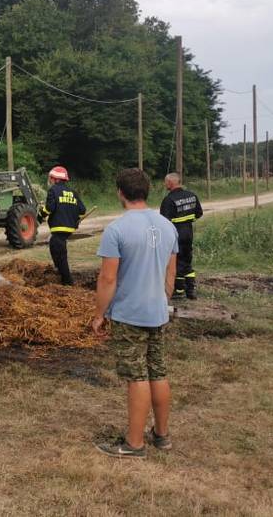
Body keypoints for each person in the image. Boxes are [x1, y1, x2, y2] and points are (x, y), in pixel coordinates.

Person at [92, 168, 178, 458]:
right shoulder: (168, 226)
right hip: (157, 312)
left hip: (130, 315)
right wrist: (162, 300)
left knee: (137, 377)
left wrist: (99, 314)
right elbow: (171, 272)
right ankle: (162, 436)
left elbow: (107, 279)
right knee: (158, 370)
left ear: (120, 192)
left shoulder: (116, 229)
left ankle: (134, 444)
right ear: (147, 192)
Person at [159, 172, 203, 299]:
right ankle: (191, 291)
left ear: (171, 183)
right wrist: (186, 221)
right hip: (188, 234)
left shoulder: (169, 200)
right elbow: (198, 213)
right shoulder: (192, 196)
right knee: (187, 261)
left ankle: (178, 290)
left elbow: (164, 221)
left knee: (176, 262)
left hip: (175, 235)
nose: (164, 184)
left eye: (166, 182)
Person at [40, 165, 86, 285]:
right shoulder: (73, 193)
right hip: (68, 229)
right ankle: (59, 272)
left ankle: (67, 281)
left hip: (58, 228)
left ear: (56, 179)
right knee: (55, 247)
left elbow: (49, 208)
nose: (50, 181)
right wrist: (76, 221)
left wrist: (41, 214)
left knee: (60, 254)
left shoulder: (53, 190)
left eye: (51, 178)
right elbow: (82, 210)